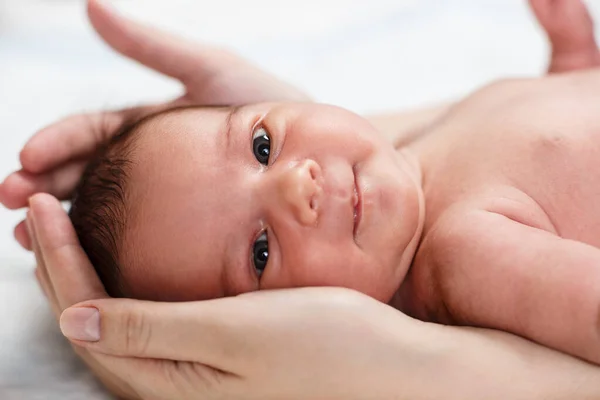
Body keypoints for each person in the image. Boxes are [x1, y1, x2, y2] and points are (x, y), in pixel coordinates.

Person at [3, 0, 600, 398]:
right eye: (260, 252)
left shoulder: (422, 144)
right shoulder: (468, 253)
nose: (296, 186)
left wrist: (570, 69)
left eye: (262, 145)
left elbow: (546, 162)